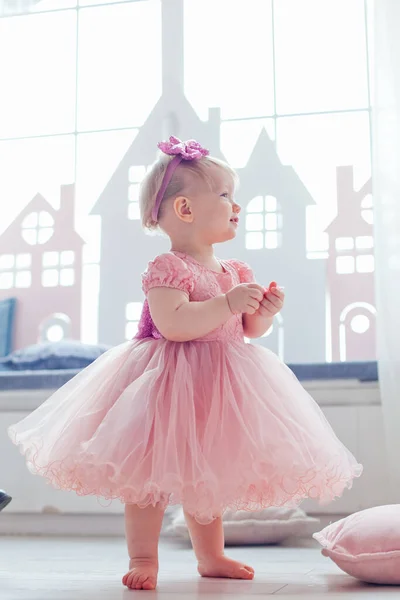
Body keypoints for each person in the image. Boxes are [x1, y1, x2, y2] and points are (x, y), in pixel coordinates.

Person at [8, 136, 362, 591]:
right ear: (185, 210)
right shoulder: (168, 267)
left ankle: (210, 556)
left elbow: (248, 330)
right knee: (146, 476)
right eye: (225, 195)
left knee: (205, 472)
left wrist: (262, 311)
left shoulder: (233, 271)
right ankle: (143, 555)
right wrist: (229, 303)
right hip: (164, 384)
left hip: (221, 386)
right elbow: (173, 323)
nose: (237, 205)